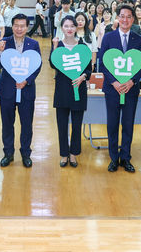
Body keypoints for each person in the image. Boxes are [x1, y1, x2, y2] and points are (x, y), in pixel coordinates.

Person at [98, 4, 141, 173]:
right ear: (117, 18)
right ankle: (113, 158)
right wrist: (114, 82)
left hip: (131, 90)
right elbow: (102, 62)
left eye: (128, 16)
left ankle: (125, 157)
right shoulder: (108, 37)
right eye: (122, 16)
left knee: (128, 124)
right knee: (112, 124)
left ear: (133, 19)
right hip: (113, 89)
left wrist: (132, 81)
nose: (125, 20)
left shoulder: (138, 39)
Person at [0, 14, 42, 168]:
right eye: (16, 25)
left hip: (26, 90)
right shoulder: (4, 42)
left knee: (26, 124)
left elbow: (37, 66)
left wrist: (26, 81)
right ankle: (8, 153)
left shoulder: (33, 44)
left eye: (22, 26)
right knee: (7, 123)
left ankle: (25, 154)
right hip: (7, 90)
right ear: (12, 26)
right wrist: (1, 52)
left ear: (27, 27)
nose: (19, 29)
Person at [50, 16, 92, 168]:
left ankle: (73, 154)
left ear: (76, 28)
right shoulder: (58, 45)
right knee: (62, 124)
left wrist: (83, 76)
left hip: (78, 89)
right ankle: (63, 154)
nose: (69, 29)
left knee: (76, 124)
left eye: (72, 26)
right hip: (62, 90)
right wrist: (54, 46)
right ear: (62, 28)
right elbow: (52, 63)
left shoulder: (83, 46)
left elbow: (89, 69)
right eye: (66, 26)